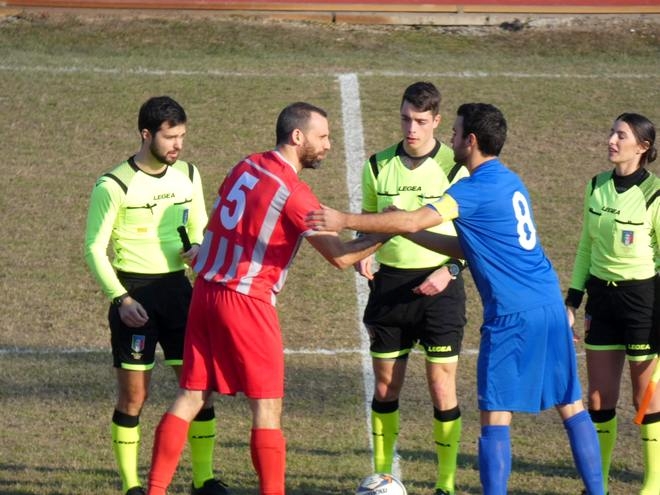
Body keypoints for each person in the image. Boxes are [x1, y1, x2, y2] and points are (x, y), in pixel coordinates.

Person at [306, 102, 605, 495]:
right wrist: (406, 231)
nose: (451, 138)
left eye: (456, 132)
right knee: (571, 405)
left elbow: (415, 218)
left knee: (494, 416)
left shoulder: (472, 188)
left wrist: (345, 220)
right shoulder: (510, 181)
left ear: (471, 141)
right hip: (548, 303)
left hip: (512, 314)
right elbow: (469, 247)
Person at [146, 101, 390, 495]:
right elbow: (341, 257)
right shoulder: (293, 192)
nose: (328, 145)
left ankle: (155, 490)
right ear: (298, 136)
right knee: (267, 407)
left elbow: (217, 224)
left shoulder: (246, 165)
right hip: (246, 303)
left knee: (190, 395)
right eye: (323, 136)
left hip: (205, 292)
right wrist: (388, 229)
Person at [84, 96, 227, 495]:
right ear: (146, 135)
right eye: (170, 137)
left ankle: (203, 480)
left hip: (180, 294)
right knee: (134, 397)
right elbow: (93, 248)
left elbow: (200, 228)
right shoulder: (113, 184)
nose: (178, 144)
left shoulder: (189, 174)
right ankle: (131, 485)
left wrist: (197, 249)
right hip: (135, 297)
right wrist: (121, 299)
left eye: (182, 136)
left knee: (199, 390)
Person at [355, 82, 468, 495]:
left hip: (441, 286)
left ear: (437, 120)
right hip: (390, 287)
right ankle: (382, 478)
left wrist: (450, 270)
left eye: (420, 121)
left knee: (442, 387)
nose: (411, 129)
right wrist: (364, 250)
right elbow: (369, 221)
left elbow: (474, 237)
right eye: (405, 119)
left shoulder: (456, 168)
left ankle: (446, 484)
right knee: (386, 387)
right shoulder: (377, 165)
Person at [565, 112, 659, 495]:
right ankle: (597, 484)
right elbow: (586, 247)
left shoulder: (655, 194)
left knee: (645, 396)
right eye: (611, 133)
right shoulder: (596, 185)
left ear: (642, 147)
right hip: (601, 300)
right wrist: (573, 301)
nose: (612, 140)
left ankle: (654, 483)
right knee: (599, 397)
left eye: (621, 135)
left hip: (642, 301)